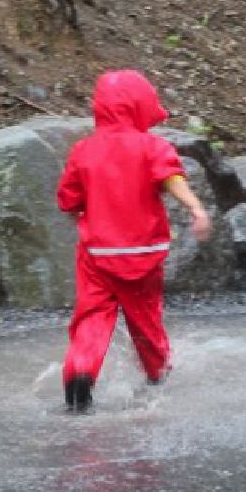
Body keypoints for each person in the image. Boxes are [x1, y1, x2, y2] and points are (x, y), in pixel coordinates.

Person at [56, 69, 212, 411]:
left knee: (92, 318)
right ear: (140, 106)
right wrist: (196, 208)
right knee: (145, 319)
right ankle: (157, 374)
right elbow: (171, 178)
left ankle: (80, 374)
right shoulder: (153, 146)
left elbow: (69, 201)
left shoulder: (84, 151)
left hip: (98, 253)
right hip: (144, 253)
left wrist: (87, 218)